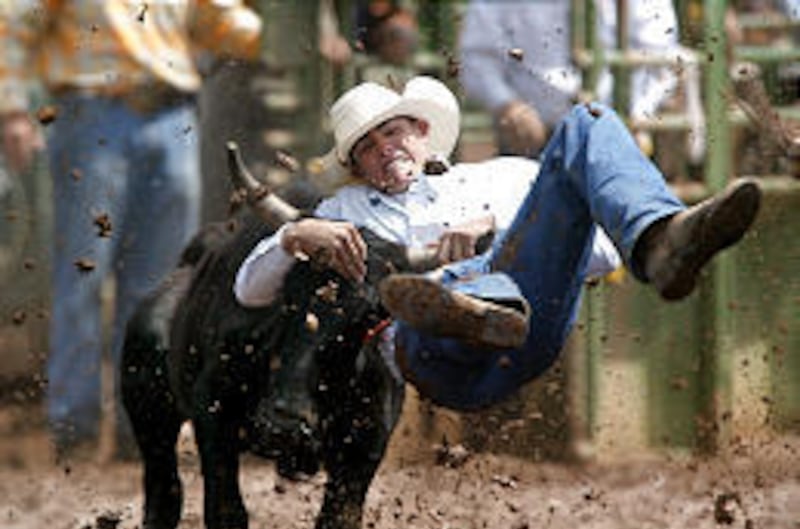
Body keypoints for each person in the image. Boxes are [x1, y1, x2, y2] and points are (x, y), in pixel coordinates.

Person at [233, 76, 761, 421]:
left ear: (421, 131)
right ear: (357, 169)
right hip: (435, 357)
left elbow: (599, 256)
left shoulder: (503, 179)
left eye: (390, 134)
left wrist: (493, 228)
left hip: (527, 324)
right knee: (416, 293)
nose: (382, 151)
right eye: (366, 149)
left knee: (586, 121)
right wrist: (293, 234)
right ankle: (461, 301)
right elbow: (249, 291)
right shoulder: (345, 215)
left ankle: (657, 239)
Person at [0, 0, 262, 458]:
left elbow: (218, 18)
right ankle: (74, 429)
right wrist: (12, 108)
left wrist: (279, 35)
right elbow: (14, 20)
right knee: (83, 275)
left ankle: (143, 424)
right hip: (92, 111)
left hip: (172, 114)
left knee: (161, 287)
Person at [458, 0, 681, 158]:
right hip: (532, 140)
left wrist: (636, 116)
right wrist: (507, 105)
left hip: (617, 133)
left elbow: (661, 59)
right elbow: (477, 56)